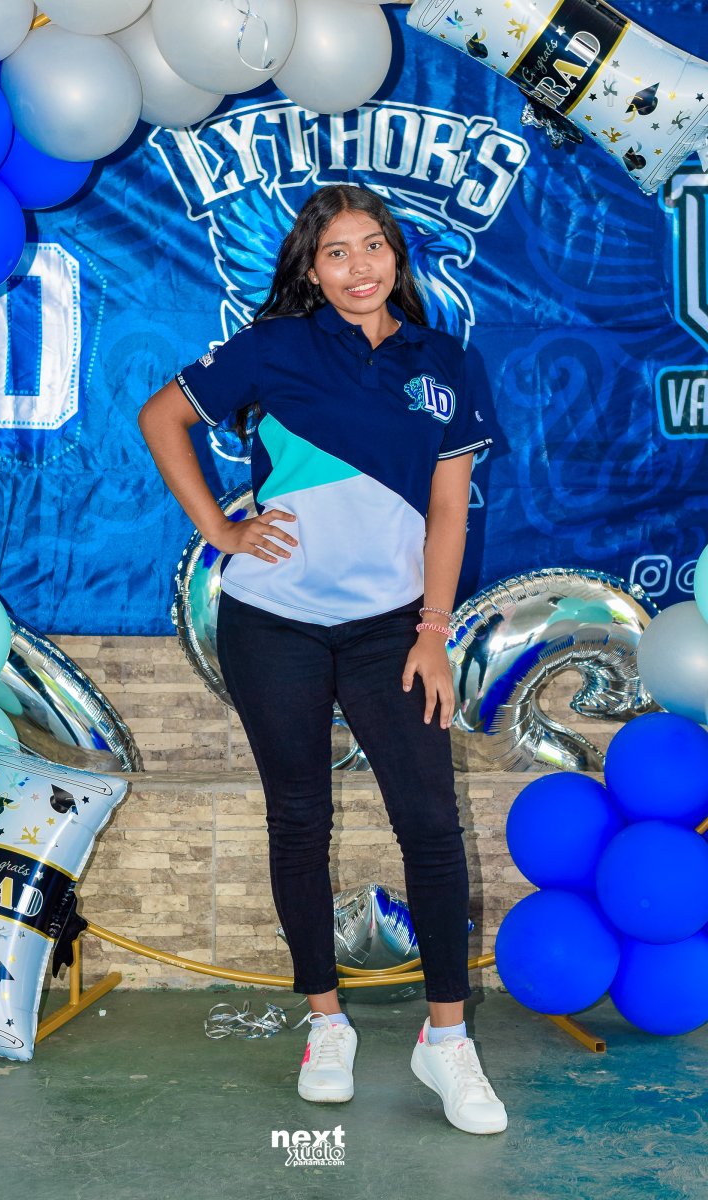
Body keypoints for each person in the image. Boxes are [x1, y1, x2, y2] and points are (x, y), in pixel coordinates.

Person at [138, 183, 508, 1136]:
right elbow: (160, 417)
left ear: (396, 255)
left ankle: (447, 1042)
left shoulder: (446, 362)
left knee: (430, 824)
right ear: (310, 268)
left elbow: (451, 511)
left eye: (372, 245)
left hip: (393, 629)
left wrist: (433, 631)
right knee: (298, 820)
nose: (358, 267)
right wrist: (219, 528)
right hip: (274, 622)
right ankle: (326, 1023)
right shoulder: (273, 347)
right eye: (335, 252)